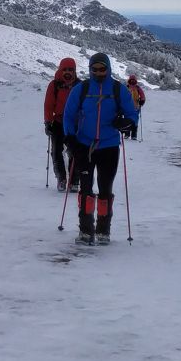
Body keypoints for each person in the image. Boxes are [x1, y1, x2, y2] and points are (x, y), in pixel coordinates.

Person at [63, 53, 140, 245]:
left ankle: (103, 231)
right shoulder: (81, 89)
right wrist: (70, 137)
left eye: (102, 69)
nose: (98, 73)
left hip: (109, 147)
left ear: (108, 68)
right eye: (95, 69)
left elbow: (132, 114)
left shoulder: (118, 89)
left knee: (105, 189)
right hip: (84, 146)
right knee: (86, 189)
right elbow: (68, 115)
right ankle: (86, 231)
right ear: (90, 69)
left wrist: (127, 123)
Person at [43, 58, 80, 192]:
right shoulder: (54, 85)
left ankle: (74, 180)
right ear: (60, 70)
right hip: (58, 122)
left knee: (75, 151)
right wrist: (48, 122)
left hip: (75, 124)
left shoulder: (79, 85)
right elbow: (48, 105)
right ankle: (61, 178)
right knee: (56, 151)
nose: (68, 72)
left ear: (74, 71)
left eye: (71, 70)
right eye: (65, 69)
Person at [124, 74, 146, 139]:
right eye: (131, 80)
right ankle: (127, 134)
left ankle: (134, 135)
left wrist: (142, 101)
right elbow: (122, 96)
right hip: (127, 107)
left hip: (136, 107)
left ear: (135, 81)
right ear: (129, 80)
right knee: (127, 120)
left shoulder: (138, 88)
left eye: (133, 80)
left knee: (135, 121)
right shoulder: (126, 88)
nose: (132, 81)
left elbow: (142, 96)